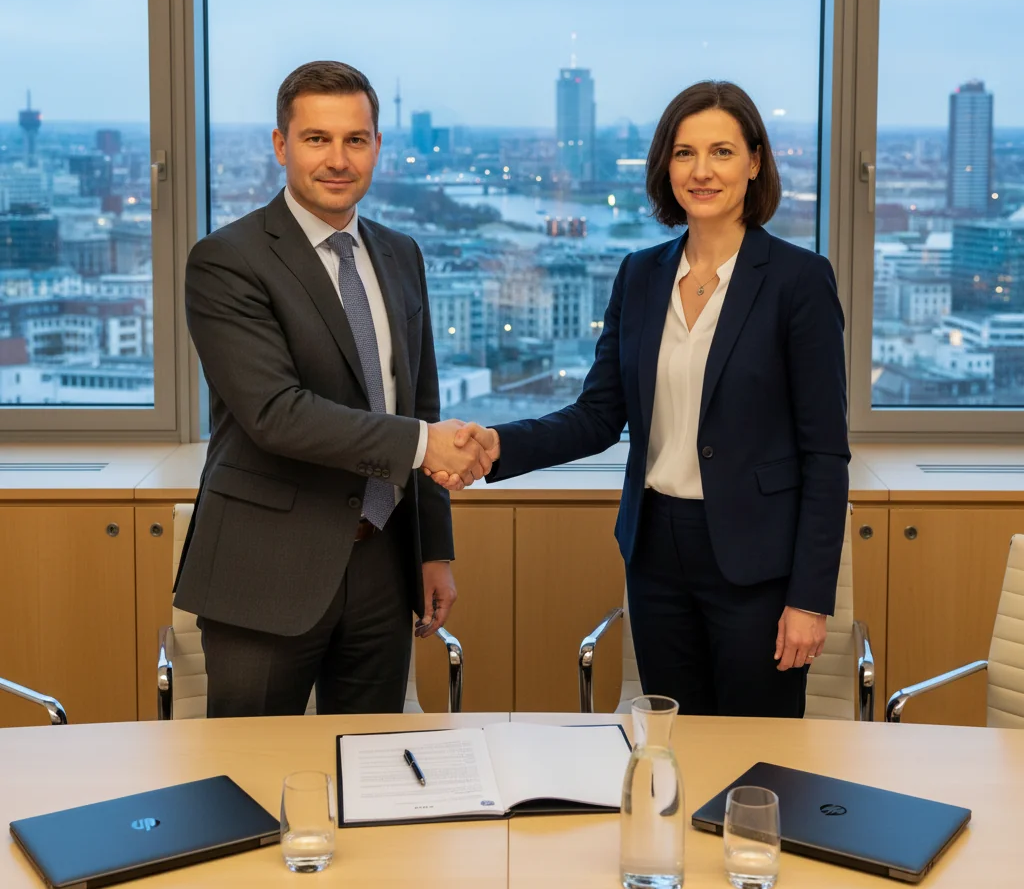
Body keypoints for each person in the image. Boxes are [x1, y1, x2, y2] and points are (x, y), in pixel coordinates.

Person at [428, 81, 850, 718]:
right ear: (665, 165)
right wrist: (495, 446)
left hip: (755, 561)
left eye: (722, 152)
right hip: (657, 552)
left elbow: (824, 454)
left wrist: (810, 599)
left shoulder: (798, 280)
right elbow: (598, 415)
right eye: (684, 153)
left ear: (756, 162)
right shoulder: (641, 275)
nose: (701, 171)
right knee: (670, 741)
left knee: (755, 755)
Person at [175, 60, 492, 717]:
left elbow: (418, 405)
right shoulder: (228, 261)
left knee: (373, 779)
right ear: (280, 145)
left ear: (378, 145)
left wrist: (433, 550)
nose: (338, 159)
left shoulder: (401, 254)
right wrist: (422, 443)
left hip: (382, 563)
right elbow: (276, 414)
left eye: (356, 139)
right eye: (317, 138)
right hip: (267, 572)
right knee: (247, 788)